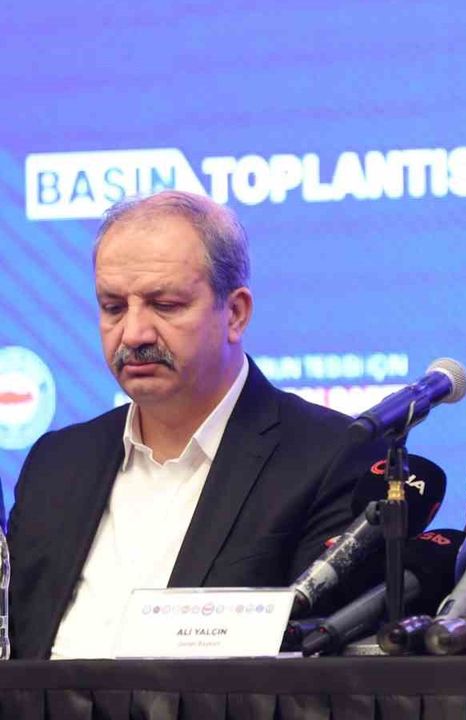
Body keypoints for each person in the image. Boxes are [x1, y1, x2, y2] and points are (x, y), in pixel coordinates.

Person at [8, 191, 379, 659]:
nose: (134, 334)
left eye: (164, 304)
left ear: (235, 313)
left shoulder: (330, 458)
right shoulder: (56, 463)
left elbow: (319, 669)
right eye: (113, 307)